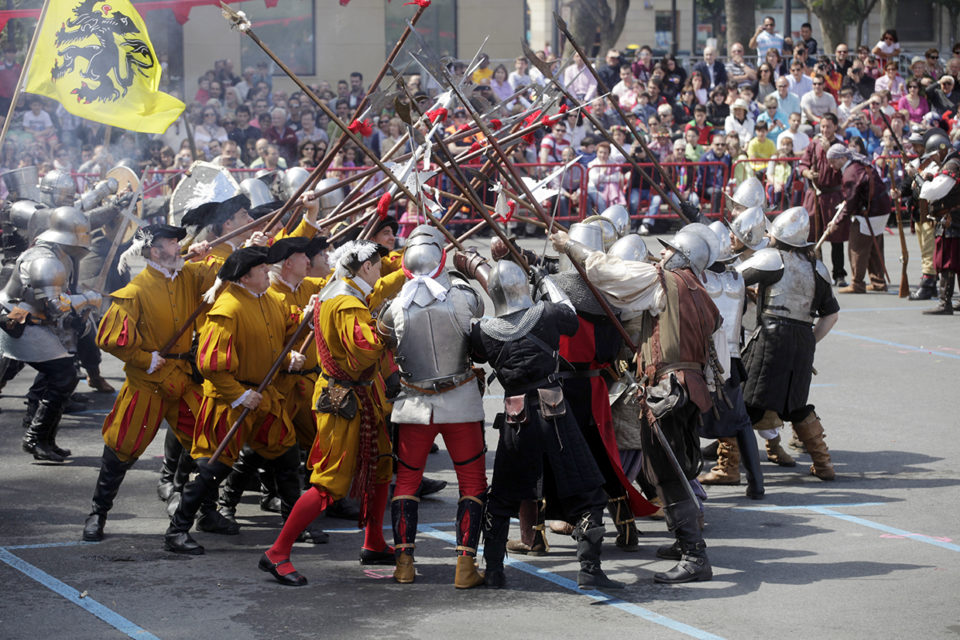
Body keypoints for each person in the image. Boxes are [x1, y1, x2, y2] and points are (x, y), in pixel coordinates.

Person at [551, 225, 720, 584]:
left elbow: (606, 270)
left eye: (669, 250)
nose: (661, 254)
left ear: (683, 256)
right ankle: (685, 541)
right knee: (673, 468)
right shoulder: (700, 291)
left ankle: (694, 555)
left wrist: (570, 246)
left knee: (668, 473)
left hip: (669, 389)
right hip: (689, 388)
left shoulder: (665, 281)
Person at [458, 257, 623, 590]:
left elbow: (475, 353)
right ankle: (589, 568)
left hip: (516, 418)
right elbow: (570, 318)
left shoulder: (483, 331)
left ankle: (494, 569)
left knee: (502, 498)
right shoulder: (546, 314)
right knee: (589, 492)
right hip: (555, 413)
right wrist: (547, 281)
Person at [260, 240, 405, 585]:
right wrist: (392, 327)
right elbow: (366, 348)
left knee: (380, 467)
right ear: (365, 267)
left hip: (361, 394)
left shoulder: (344, 289)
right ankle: (277, 553)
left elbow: (378, 295)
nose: (380, 270)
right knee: (329, 482)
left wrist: (405, 277)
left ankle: (373, 542)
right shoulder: (345, 302)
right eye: (377, 265)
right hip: (342, 399)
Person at [162, 246, 310, 556]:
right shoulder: (227, 309)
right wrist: (240, 395)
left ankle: (294, 524)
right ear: (245, 277)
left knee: (286, 456)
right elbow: (211, 365)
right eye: (262, 269)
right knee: (211, 469)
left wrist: (289, 356)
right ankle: (177, 530)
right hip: (229, 402)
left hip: (264, 397)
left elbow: (276, 341)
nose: (268, 273)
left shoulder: (270, 300)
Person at [81, 224, 218, 542]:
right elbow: (109, 337)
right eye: (172, 243)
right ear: (155, 251)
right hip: (147, 384)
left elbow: (222, 279)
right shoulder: (137, 288)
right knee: (121, 448)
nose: (179, 246)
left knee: (209, 441)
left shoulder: (188, 274)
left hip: (182, 380)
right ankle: (98, 513)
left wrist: (205, 256)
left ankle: (203, 512)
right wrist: (145, 359)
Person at [377, 227, 487, 588]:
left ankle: (404, 565)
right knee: (472, 483)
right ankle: (465, 568)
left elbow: (384, 338)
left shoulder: (394, 307)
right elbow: (481, 311)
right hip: (460, 402)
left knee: (407, 483)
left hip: (413, 404)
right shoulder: (463, 297)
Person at [736, 207, 839, 480]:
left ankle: (729, 466)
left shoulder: (772, 258)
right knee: (795, 405)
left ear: (777, 237)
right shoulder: (817, 267)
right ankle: (824, 464)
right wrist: (810, 342)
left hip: (772, 338)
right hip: (803, 340)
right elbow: (831, 315)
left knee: (744, 400)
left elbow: (732, 278)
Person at [1, 207, 101, 463]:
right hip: (19, 320)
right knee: (63, 375)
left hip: (33, 319)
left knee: (59, 375)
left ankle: (42, 438)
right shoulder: (45, 261)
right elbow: (56, 305)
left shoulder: (58, 255)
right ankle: (36, 438)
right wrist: (88, 299)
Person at [694, 222, 764, 499]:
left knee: (687, 418)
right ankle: (756, 485)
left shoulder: (698, 278)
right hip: (731, 358)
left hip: (702, 357)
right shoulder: (738, 278)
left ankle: (689, 485)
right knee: (740, 421)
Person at [824, 143, 890, 294]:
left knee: (856, 248)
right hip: (880, 209)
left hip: (870, 212)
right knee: (874, 246)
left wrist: (837, 222)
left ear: (842, 158)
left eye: (833, 161)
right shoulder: (858, 165)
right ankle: (878, 282)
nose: (831, 166)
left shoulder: (851, 172)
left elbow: (851, 201)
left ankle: (857, 284)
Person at [799, 113, 848, 286]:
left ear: (835, 127)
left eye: (828, 126)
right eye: (822, 126)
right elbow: (803, 164)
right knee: (812, 235)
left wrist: (829, 151)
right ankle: (816, 272)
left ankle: (839, 274)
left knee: (835, 237)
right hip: (814, 195)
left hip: (832, 196)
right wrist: (807, 173)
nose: (825, 130)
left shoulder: (840, 146)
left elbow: (843, 169)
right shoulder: (814, 144)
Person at [917, 130, 960, 314]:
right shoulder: (953, 162)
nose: (933, 160)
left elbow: (931, 192)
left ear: (941, 150)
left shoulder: (952, 165)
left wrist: (919, 179)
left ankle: (945, 303)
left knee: (947, 263)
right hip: (954, 220)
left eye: (933, 155)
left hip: (952, 222)